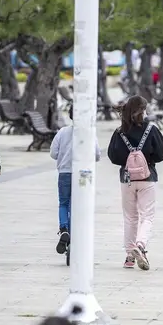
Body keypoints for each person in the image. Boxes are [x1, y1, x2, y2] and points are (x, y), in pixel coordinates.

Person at [107, 95, 163, 271]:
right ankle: (140, 245)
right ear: (143, 110)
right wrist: (148, 159)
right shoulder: (151, 129)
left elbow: (113, 155)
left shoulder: (120, 132)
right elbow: (161, 154)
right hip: (147, 177)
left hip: (126, 179)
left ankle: (129, 256)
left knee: (130, 217)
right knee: (147, 215)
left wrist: (128, 160)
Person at [49, 105, 100, 257]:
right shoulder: (90, 133)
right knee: (80, 204)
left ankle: (64, 229)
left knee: (64, 203)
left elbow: (53, 153)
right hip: (84, 174)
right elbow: (97, 155)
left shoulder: (62, 132)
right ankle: (77, 233)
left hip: (65, 172)